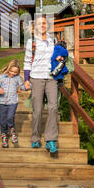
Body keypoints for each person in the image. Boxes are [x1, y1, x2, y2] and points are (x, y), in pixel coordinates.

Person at [24, 15, 68, 154]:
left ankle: (51, 140)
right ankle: (35, 138)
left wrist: (59, 58)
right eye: (39, 24)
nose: (41, 25)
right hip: (36, 77)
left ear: (47, 25)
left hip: (51, 77)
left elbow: (57, 56)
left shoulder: (53, 41)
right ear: (35, 26)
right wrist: (26, 79)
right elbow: (27, 62)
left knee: (53, 107)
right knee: (37, 110)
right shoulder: (31, 42)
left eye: (44, 23)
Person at [0, 59, 27, 148]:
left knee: (10, 117)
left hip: (13, 102)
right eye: (11, 71)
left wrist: (28, 85)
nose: (13, 73)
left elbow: (23, 87)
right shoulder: (2, 77)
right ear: (8, 68)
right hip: (2, 102)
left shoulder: (18, 78)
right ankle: (4, 136)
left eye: (15, 72)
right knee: (2, 120)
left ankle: (12, 130)